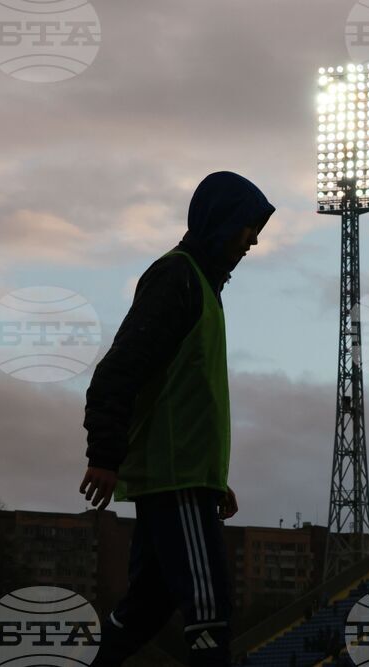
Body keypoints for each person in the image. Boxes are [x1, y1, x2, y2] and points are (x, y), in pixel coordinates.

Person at [80, 171, 275, 666]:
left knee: (145, 609)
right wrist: (104, 455)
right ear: (220, 221)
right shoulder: (178, 278)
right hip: (175, 480)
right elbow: (117, 372)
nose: (253, 239)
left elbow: (185, 396)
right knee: (209, 607)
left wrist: (214, 480)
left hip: (187, 478)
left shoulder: (202, 286)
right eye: (248, 225)